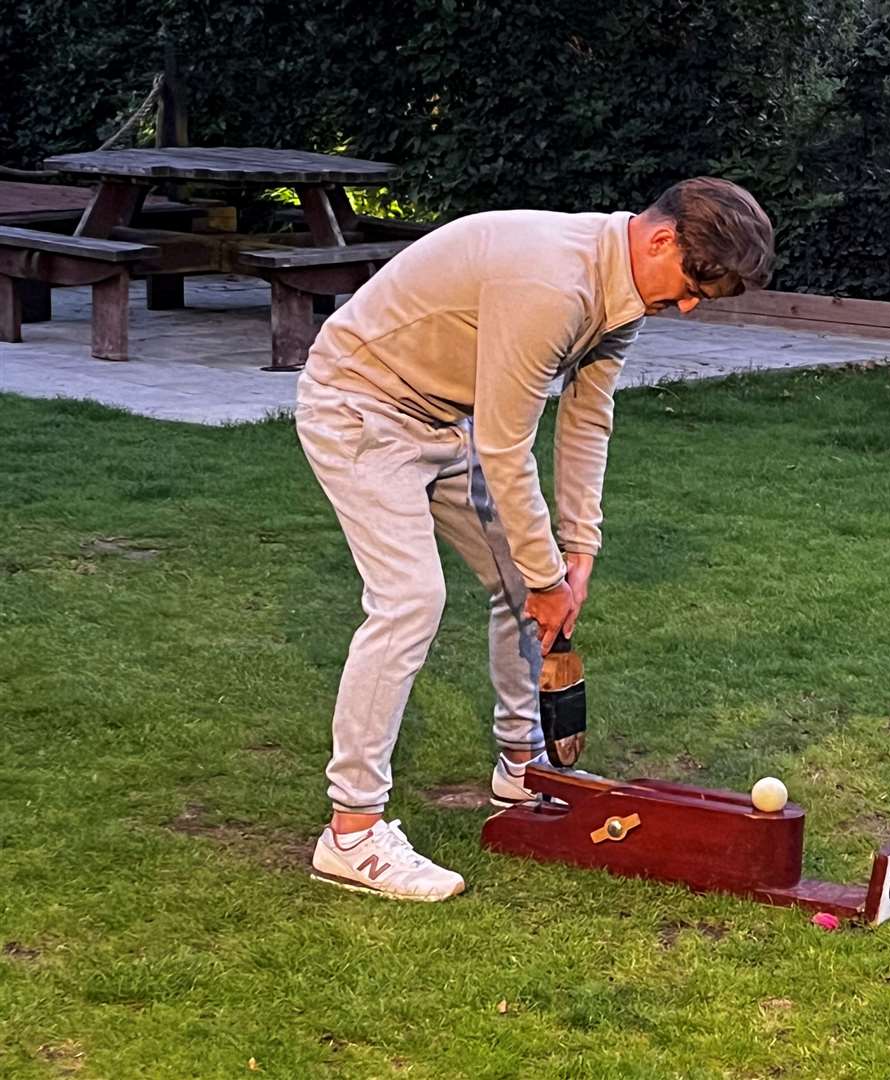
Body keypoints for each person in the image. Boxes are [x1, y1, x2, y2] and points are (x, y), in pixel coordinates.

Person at [296, 177, 775, 901]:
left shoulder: (622, 289)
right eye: (687, 289)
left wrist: (576, 553)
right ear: (661, 240)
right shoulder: (554, 279)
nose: (682, 307)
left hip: (443, 417)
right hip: (360, 406)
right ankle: (352, 832)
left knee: (524, 581)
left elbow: (588, 416)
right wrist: (548, 578)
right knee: (409, 602)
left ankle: (524, 774)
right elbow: (504, 445)